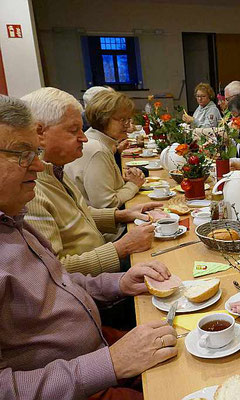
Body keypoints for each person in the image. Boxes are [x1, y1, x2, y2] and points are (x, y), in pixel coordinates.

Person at [0, 95, 178, 400]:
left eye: (36, 152)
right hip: (78, 380)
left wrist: (118, 282)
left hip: (94, 345)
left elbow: (58, 280)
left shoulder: (13, 215)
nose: (38, 164)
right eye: (23, 153)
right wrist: (110, 364)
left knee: (183, 351)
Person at [21, 87, 159, 276]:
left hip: (102, 260)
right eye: (73, 130)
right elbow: (54, 273)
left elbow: (79, 215)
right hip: (94, 285)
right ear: (40, 133)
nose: (84, 137)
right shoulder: (29, 191)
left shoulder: (54, 169)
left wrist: (121, 215)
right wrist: (120, 248)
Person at [65, 90, 144, 208]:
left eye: (128, 119)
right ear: (103, 119)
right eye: (122, 120)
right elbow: (107, 204)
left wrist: (121, 180)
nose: (127, 125)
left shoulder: (98, 141)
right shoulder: (97, 150)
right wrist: (133, 185)